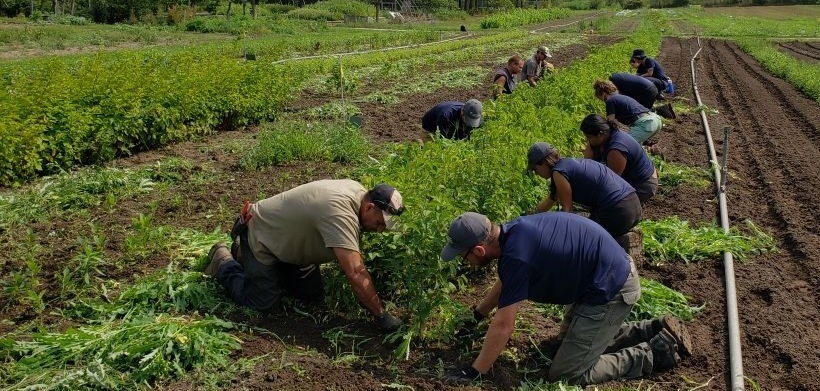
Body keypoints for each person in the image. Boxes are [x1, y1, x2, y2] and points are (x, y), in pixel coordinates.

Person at [439, 211, 693, 385]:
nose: (467, 263)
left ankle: (653, 353)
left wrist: (474, 371)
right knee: (563, 347)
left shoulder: (516, 256)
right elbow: (507, 282)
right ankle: (650, 329)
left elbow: (504, 326)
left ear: (479, 249)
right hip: (597, 278)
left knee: (567, 373)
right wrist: (477, 315)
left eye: (464, 257)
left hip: (611, 288)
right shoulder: (513, 232)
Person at [203, 180, 405, 332]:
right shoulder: (340, 212)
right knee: (261, 303)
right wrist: (381, 315)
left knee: (310, 294)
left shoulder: (359, 193)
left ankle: (247, 256)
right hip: (261, 236)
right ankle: (223, 260)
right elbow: (355, 272)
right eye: (380, 223)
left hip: (287, 241)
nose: (380, 230)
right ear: (369, 207)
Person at [527, 141, 641, 252]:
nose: (536, 173)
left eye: (535, 169)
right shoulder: (569, 164)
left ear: (544, 162)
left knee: (579, 239)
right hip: (634, 206)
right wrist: (529, 217)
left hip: (618, 211)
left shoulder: (559, 173)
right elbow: (551, 199)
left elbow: (567, 213)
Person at [580, 114, 659, 204]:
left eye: (589, 137)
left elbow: (612, 182)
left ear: (600, 134)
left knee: (608, 205)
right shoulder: (605, 137)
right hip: (629, 177)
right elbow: (588, 166)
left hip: (643, 184)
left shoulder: (616, 149)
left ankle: (632, 205)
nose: (587, 141)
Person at [593, 79, 663, 145]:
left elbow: (610, 121)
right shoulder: (621, 97)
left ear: (602, 94)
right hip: (655, 120)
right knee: (634, 144)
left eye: (600, 98)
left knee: (622, 144)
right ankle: (654, 150)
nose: (602, 101)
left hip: (646, 123)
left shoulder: (610, 101)